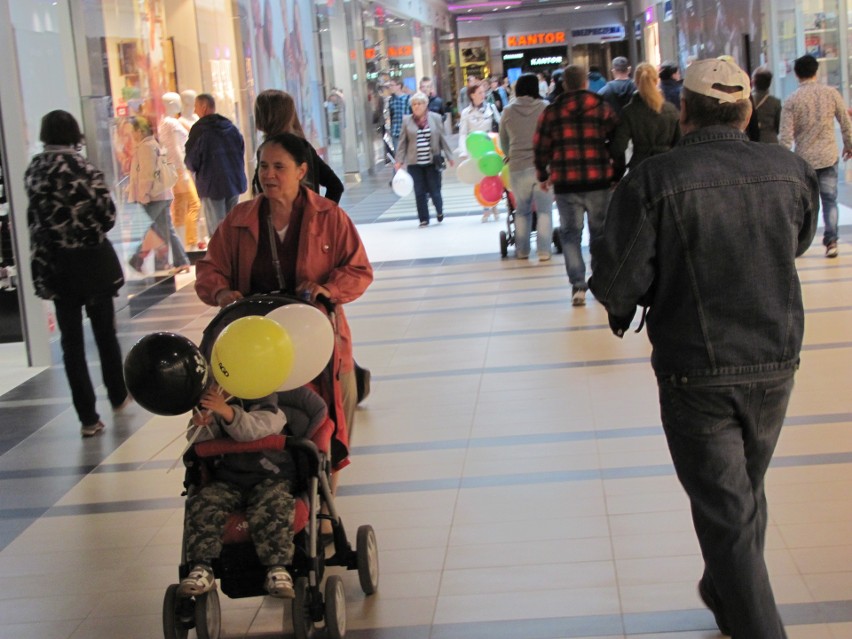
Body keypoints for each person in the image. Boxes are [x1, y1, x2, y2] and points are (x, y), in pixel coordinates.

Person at [588, 57, 819, 639]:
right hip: (776, 358)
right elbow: (799, 239)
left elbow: (619, 282)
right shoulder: (789, 171)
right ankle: (724, 590)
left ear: (684, 110)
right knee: (743, 493)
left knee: (726, 512)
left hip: (698, 368)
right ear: (747, 110)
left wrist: (630, 303)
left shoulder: (655, 180)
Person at [194, 132, 372, 481]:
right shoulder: (239, 219)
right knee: (250, 421)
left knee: (327, 422)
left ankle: (322, 506)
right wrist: (221, 293)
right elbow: (209, 269)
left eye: (279, 167)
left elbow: (359, 270)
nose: (269, 175)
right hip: (253, 345)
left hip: (316, 340)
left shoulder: (329, 217)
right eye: (263, 166)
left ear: (302, 170)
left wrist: (328, 288)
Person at [24, 110, 130, 437]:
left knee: (71, 344)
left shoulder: (34, 172)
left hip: (56, 267)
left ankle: (87, 418)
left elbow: (36, 222)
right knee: (104, 334)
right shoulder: (84, 169)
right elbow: (108, 215)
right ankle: (117, 395)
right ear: (74, 134)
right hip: (91, 263)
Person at [178, 384, 297, 599]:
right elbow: (199, 442)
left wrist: (227, 412)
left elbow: (250, 431)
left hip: (269, 478)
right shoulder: (216, 401)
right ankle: (202, 565)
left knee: (274, 504)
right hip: (227, 478)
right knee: (203, 502)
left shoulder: (273, 412)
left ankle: (277, 567)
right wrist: (203, 425)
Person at [534, 64, 618, 307]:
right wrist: (614, 168)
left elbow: (541, 146)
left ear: (564, 84)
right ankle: (602, 282)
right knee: (600, 234)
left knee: (571, 234)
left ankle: (578, 286)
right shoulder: (602, 107)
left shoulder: (552, 112)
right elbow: (616, 138)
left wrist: (542, 175)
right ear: (585, 82)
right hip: (598, 179)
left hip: (566, 182)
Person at [780, 54, 852, 259]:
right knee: (830, 200)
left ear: (796, 74)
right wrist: (849, 145)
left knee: (806, 204)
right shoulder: (831, 94)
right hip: (828, 155)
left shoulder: (792, 100)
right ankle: (831, 242)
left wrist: (784, 159)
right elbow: (845, 123)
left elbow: (786, 136)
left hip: (803, 160)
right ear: (816, 72)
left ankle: (800, 242)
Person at [499, 72, 554, 260]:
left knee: (521, 210)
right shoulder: (545, 108)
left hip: (518, 166)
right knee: (545, 210)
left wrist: (510, 154)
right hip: (543, 167)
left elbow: (503, 141)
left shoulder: (507, 111)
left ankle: (522, 251)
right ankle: (544, 251)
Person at [126, 116, 191, 274]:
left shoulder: (146, 147)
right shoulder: (153, 144)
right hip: (162, 195)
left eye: (133, 131)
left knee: (144, 228)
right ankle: (180, 261)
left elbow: (147, 175)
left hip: (153, 197)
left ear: (140, 131)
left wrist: (143, 196)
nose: (132, 135)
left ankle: (138, 259)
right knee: (165, 229)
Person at [253, 89, 344, 202]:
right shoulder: (303, 145)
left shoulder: (269, 151)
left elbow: (335, 186)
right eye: (264, 166)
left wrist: (323, 214)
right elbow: (335, 186)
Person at [184, 93, 247, 238]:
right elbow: (240, 150)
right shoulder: (230, 127)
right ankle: (234, 258)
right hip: (233, 182)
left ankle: (221, 259)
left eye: (196, 107)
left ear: (204, 107)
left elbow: (191, 159)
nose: (194, 111)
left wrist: (193, 168)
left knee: (218, 231)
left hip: (212, 185)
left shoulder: (200, 130)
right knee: (233, 226)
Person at [394, 92, 455, 227]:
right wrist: (399, 160)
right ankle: (423, 218)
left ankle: (439, 210)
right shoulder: (406, 120)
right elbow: (402, 142)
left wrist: (450, 157)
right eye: (414, 104)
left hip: (432, 161)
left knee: (435, 190)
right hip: (414, 162)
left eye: (419, 104)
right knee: (419, 191)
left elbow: (442, 138)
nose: (416, 107)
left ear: (426, 104)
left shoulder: (436, 118)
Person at [610, 62, 681, 176]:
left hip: (640, 167)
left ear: (636, 82)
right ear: (656, 80)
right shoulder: (671, 110)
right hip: (667, 167)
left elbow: (619, 146)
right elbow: (680, 142)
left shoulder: (629, 111)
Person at [159, 92, 203, 252]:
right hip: (178, 168)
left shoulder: (166, 122)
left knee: (179, 205)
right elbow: (175, 148)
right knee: (194, 204)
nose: (180, 104)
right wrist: (183, 170)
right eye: (178, 101)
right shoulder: (171, 123)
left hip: (174, 168)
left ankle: (181, 244)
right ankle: (191, 242)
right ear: (171, 103)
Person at [458, 81, 501, 222]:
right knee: (480, 179)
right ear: (472, 95)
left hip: (491, 146)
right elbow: (463, 133)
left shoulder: (491, 108)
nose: (483, 95)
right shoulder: (466, 113)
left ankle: (495, 205)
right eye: (479, 93)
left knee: (493, 175)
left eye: (484, 92)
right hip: (475, 149)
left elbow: (499, 124)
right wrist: (463, 151)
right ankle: (486, 208)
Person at [747, 67, 782, 144]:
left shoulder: (746, 101)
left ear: (753, 82)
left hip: (751, 142)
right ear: (769, 83)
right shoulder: (775, 102)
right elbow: (779, 126)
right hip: (770, 142)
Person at [387, 78, 410, 153]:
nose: (390, 87)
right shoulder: (391, 100)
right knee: (398, 157)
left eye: (392, 85)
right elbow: (391, 115)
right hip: (396, 132)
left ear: (399, 86)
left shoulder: (408, 99)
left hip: (407, 132)